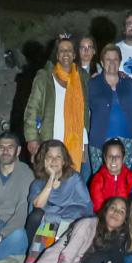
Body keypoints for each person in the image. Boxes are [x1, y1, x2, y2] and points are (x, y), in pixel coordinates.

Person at [23, 35, 88, 171]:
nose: (66, 53)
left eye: (69, 50)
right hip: (50, 139)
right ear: (57, 55)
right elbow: (32, 109)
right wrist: (32, 138)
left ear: (74, 55)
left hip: (76, 143)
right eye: (62, 50)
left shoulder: (82, 77)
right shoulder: (45, 76)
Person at [24, 139, 93, 255]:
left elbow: (86, 206)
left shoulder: (74, 178)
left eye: (58, 157)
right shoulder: (37, 184)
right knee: (36, 216)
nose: (54, 161)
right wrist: (51, 179)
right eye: (50, 157)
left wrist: (63, 219)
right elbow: (38, 206)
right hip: (46, 225)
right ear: (44, 160)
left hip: (69, 221)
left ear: (64, 161)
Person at [87, 43, 132, 173]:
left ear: (119, 62)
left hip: (127, 141)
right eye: (108, 59)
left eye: (115, 59)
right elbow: (84, 111)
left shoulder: (128, 82)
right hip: (99, 142)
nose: (112, 62)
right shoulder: (93, 83)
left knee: (125, 181)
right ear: (102, 62)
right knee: (100, 181)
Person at [0, 133, 31, 263]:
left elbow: (23, 211)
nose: (5, 151)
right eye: (1, 147)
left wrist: (1, 235)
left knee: (19, 237)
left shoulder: (26, 175)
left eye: (10, 147)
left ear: (18, 151)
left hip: (14, 227)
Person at [88, 138, 132, 210]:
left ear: (123, 159)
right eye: (110, 156)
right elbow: (98, 206)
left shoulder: (131, 177)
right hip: (104, 217)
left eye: (117, 156)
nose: (113, 160)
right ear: (105, 159)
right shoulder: (98, 179)